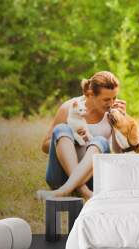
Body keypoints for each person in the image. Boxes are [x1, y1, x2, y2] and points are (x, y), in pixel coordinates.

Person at [40, 71, 126, 200]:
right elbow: (45, 146)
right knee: (61, 129)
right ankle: (82, 190)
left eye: (114, 98)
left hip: (93, 179)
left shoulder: (113, 114)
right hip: (60, 177)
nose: (112, 103)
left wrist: (120, 124)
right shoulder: (69, 107)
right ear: (90, 94)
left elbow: (118, 152)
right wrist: (70, 136)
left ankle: (66, 190)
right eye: (106, 99)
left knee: (101, 140)